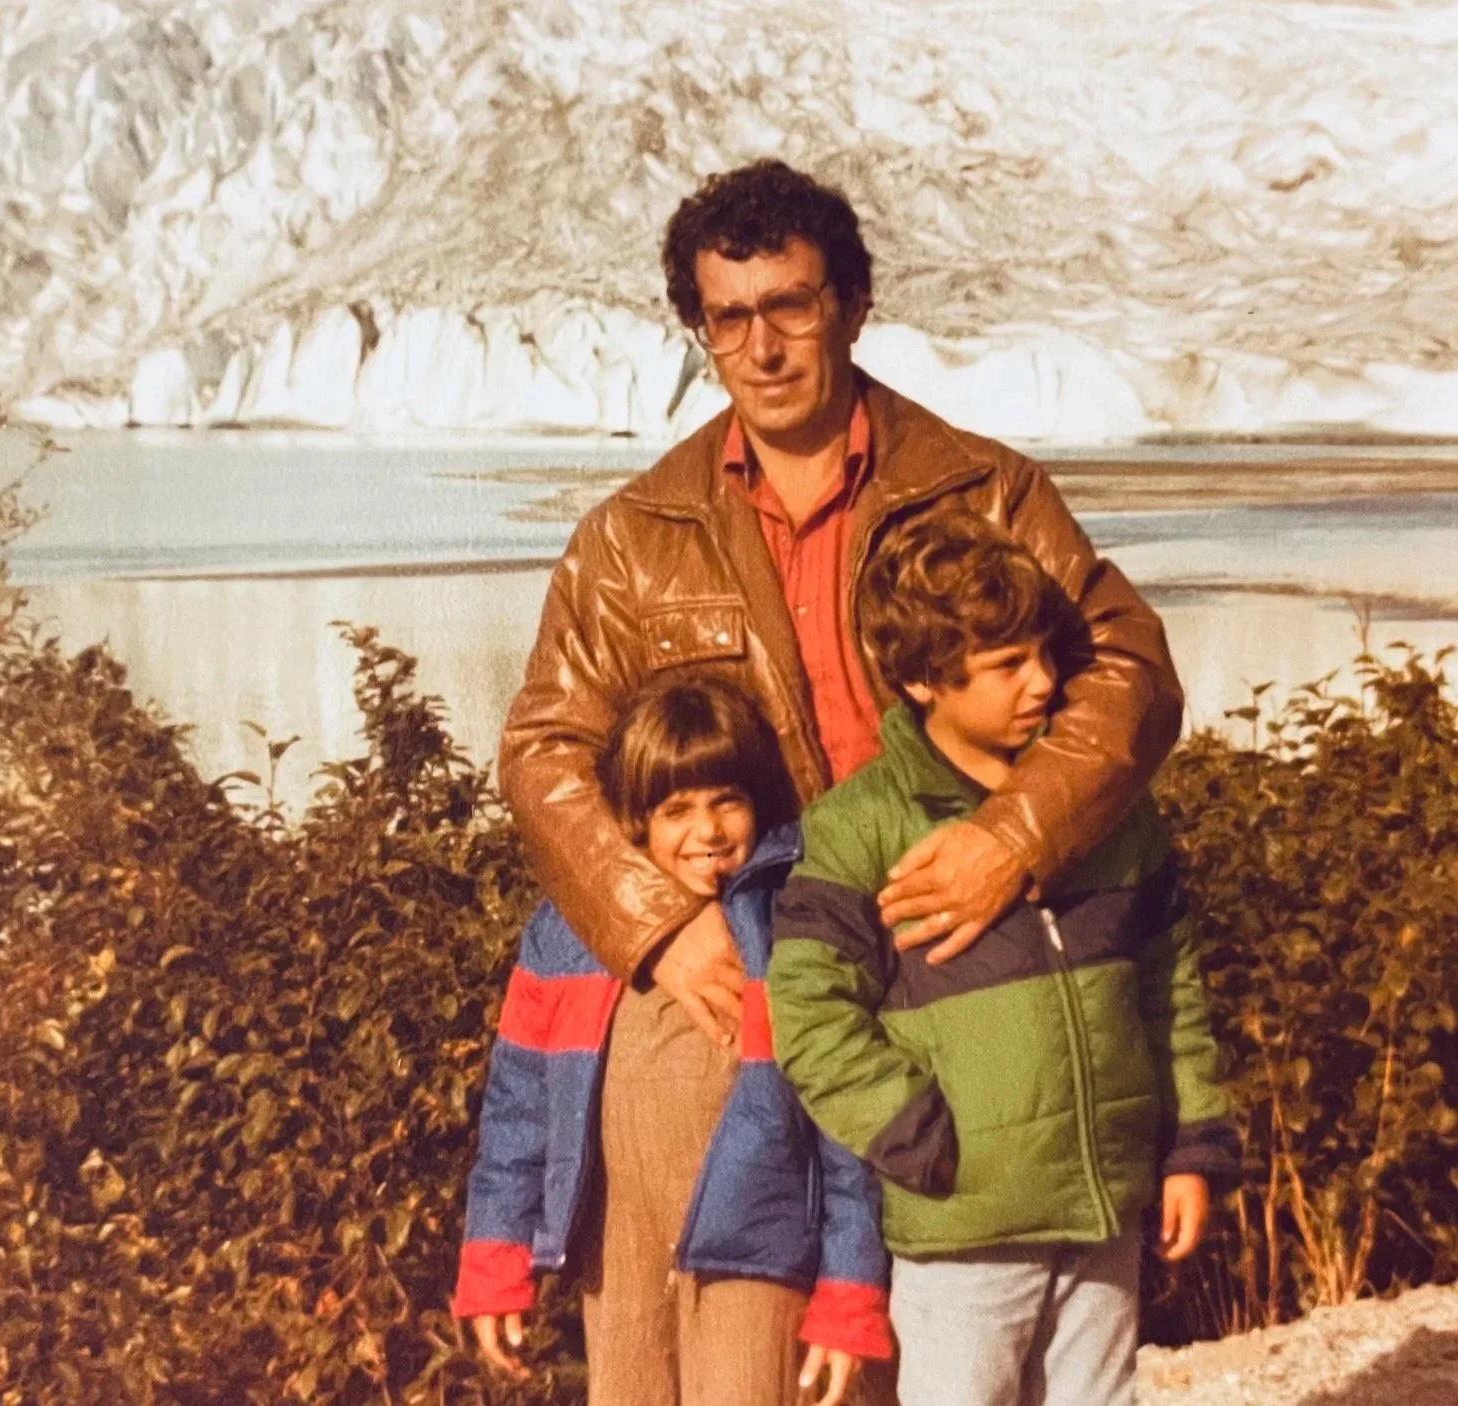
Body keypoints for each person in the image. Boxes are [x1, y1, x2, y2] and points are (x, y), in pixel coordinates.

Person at [498, 159, 1186, 1069]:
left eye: (790, 306)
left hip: (971, 947)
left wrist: (1011, 838)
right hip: (760, 984)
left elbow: (1128, 666)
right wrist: (658, 922)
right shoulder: (631, 539)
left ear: (853, 307)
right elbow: (544, 748)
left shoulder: (983, 491)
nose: (763, 349)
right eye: (729, 319)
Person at [766, 512, 1240, 1406]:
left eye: (1045, 655)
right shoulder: (862, 827)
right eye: (1007, 666)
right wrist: (925, 1142)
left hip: (1102, 1211)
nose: (1047, 683)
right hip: (964, 1235)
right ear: (920, 682)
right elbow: (810, 1015)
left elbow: (1169, 988)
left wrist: (1188, 1148)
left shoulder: (1107, 811)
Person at [454, 675, 891, 1406]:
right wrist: (497, 1258)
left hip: (759, 1248)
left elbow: (847, 1129)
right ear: (633, 820)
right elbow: (518, 1111)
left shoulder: (795, 923)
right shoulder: (569, 931)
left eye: (728, 800)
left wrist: (849, 1291)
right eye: (676, 809)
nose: (709, 831)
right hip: (617, 1251)